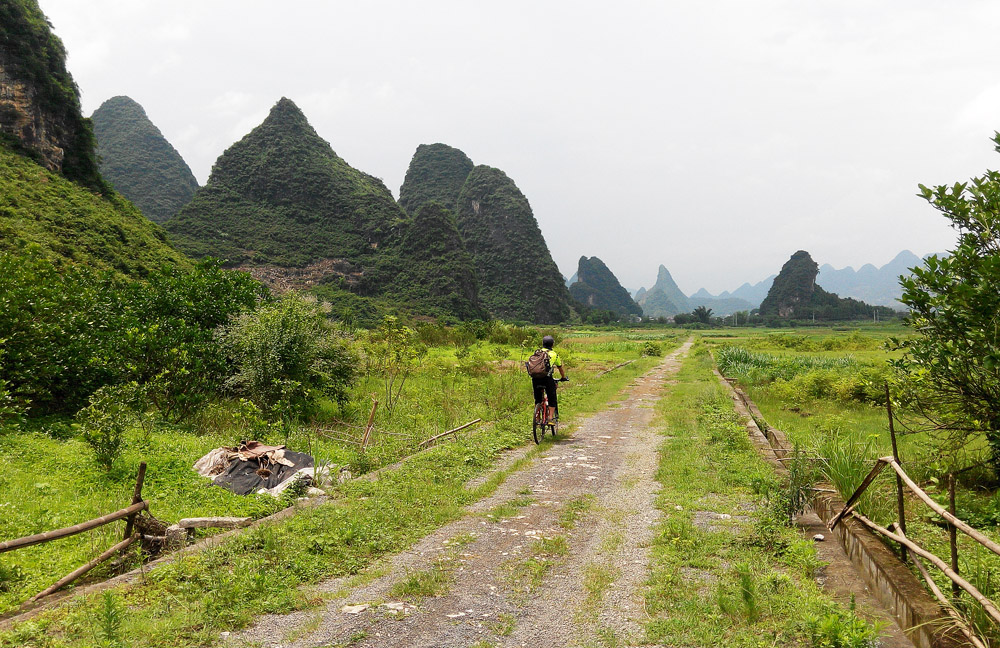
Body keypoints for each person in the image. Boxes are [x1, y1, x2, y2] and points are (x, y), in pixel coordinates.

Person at [532, 335, 567, 421]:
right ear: (552, 345)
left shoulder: (537, 352)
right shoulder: (554, 354)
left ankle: (537, 417)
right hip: (547, 379)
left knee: (538, 399)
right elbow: (560, 368)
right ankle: (550, 418)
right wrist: (563, 377)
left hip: (535, 378)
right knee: (552, 398)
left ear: (543, 344)